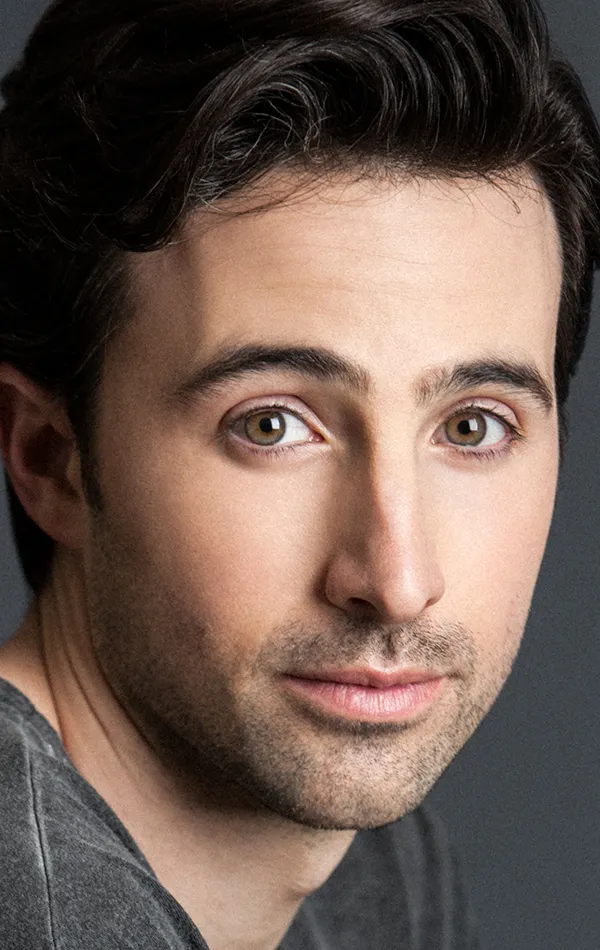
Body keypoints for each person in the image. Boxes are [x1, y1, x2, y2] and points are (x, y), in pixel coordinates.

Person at [0, 0, 598, 947]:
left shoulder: (379, 869)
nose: (396, 581)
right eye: (272, 425)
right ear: (49, 458)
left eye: (473, 426)